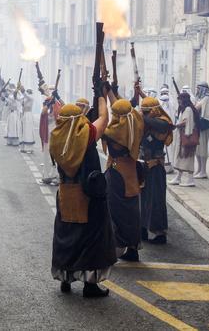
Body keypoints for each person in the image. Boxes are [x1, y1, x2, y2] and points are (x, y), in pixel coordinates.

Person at [50, 83, 116, 297]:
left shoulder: (56, 137)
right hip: (87, 197)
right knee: (92, 239)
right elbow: (104, 119)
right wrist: (102, 96)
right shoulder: (85, 136)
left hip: (66, 194)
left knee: (66, 237)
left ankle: (66, 279)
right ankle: (90, 284)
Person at [103, 96, 145, 262]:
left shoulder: (113, 133)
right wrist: (111, 93)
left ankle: (117, 247)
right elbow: (129, 109)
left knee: (115, 212)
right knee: (132, 212)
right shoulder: (137, 123)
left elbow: (103, 129)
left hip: (117, 175)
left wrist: (102, 97)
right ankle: (133, 248)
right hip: (132, 174)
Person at [139, 97, 173, 244]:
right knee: (143, 200)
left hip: (156, 166)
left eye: (147, 111)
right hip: (143, 165)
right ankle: (143, 229)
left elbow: (157, 124)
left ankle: (160, 234)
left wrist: (144, 116)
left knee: (156, 200)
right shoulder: (147, 120)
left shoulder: (163, 122)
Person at [169, 92, 199, 187]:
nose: (178, 101)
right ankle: (178, 177)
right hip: (182, 136)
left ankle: (190, 180)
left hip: (187, 137)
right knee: (181, 158)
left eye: (180, 99)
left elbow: (185, 122)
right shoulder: (185, 109)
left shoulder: (188, 109)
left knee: (187, 158)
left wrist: (175, 125)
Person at [39, 87, 62, 185]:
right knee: (47, 155)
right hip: (47, 134)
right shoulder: (46, 107)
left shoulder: (57, 107)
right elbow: (43, 112)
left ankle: (56, 176)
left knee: (55, 156)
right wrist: (48, 104)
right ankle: (47, 176)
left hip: (55, 134)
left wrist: (54, 101)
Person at [194, 82, 209, 179]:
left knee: (202, 148)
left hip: (204, 126)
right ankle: (199, 169)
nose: (197, 90)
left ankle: (203, 171)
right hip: (199, 126)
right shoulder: (201, 98)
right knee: (198, 148)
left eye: (198, 88)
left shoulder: (207, 98)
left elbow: (197, 108)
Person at [158, 89, 175, 174]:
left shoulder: (171, 105)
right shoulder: (159, 106)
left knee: (169, 149)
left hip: (168, 132)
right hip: (162, 132)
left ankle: (170, 166)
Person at [19, 88, 35, 153]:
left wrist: (23, 92)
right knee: (24, 131)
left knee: (28, 131)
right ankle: (23, 148)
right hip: (24, 115)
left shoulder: (31, 98)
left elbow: (27, 96)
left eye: (28, 92)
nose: (27, 93)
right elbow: (19, 99)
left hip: (28, 115)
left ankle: (29, 148)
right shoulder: (25, 99)